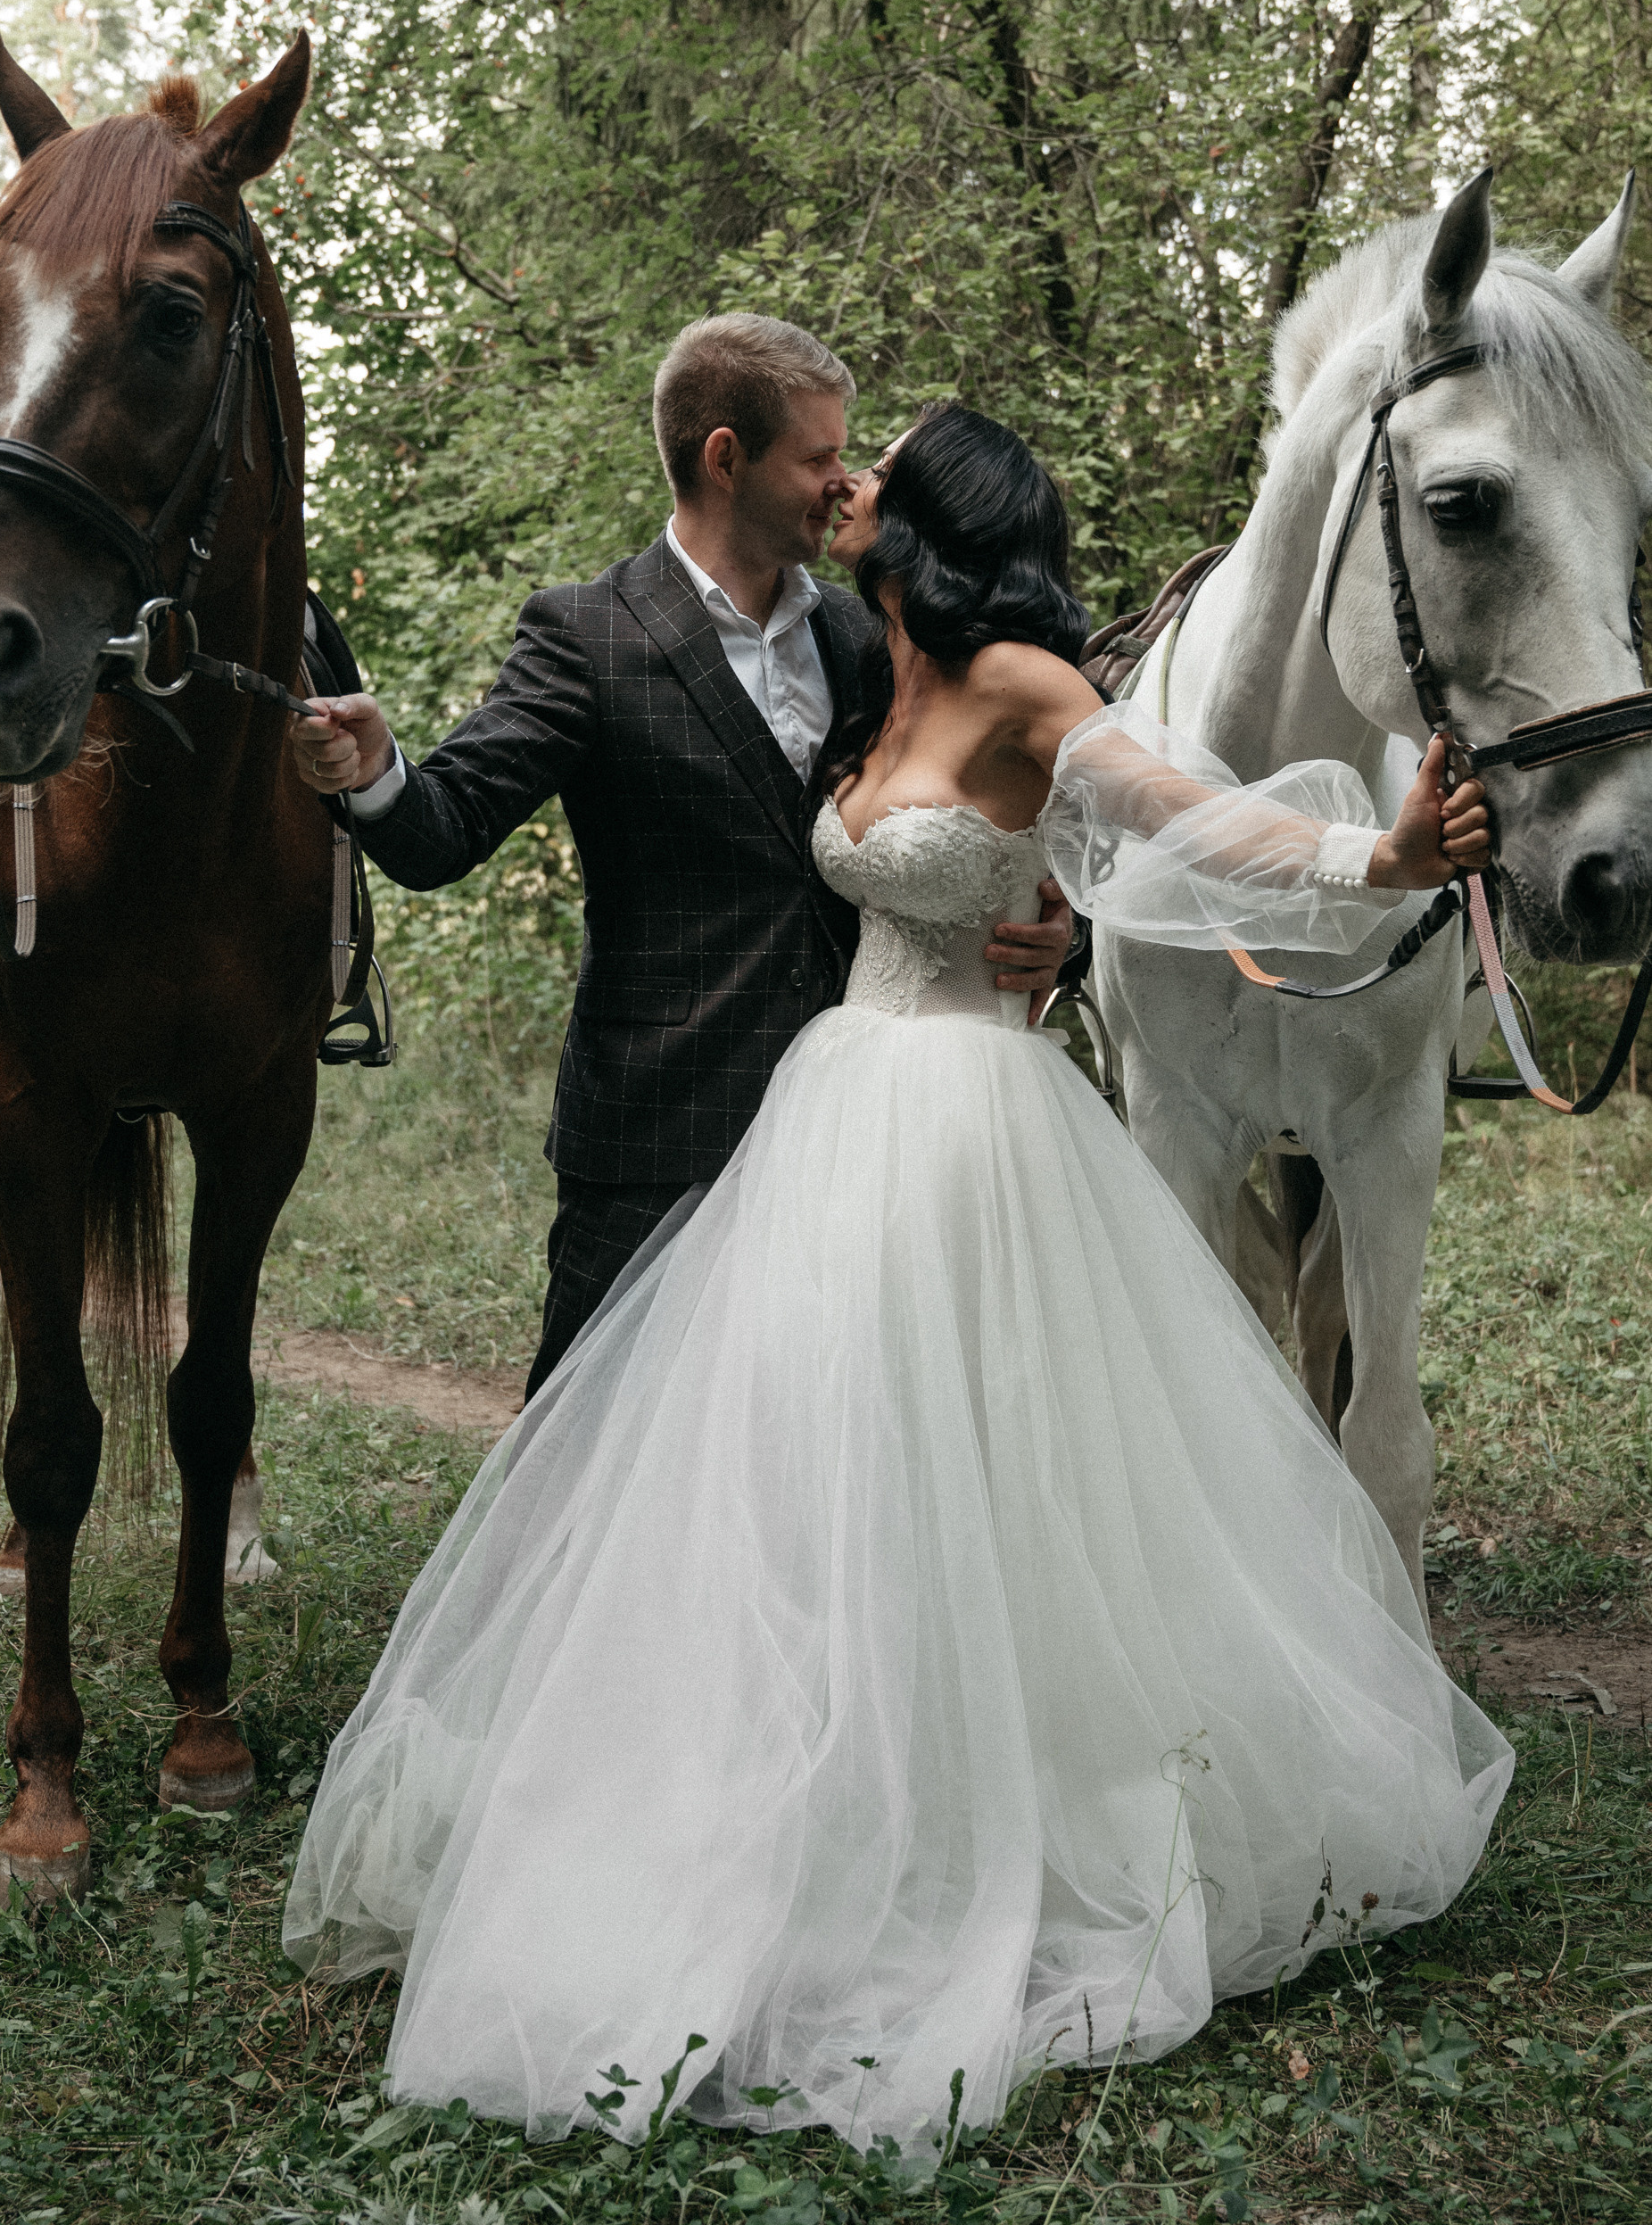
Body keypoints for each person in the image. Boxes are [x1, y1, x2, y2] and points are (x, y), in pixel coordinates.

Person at [285, 405, 1511, 2155]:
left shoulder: (1017, 674)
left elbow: (1167, 812)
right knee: (799, 1479)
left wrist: (1368, 862)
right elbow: (998, 857)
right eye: (830, 457)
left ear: (922, 518)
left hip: (962, 1132)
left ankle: (984, 1803)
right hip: (824, 1109)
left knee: (986, 1470)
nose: (844, 483)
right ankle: (785, 1775)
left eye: (875, 467)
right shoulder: (883, 663)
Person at [292, 317, 1073, 1395]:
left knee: (811, 1448)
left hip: (855, 1141)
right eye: (815, 457)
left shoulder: (866, 638)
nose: (839, 483)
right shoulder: (587, 635)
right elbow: (445, 830)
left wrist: (1057, 922)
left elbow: (985, 810)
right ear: (723, 457)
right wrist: (377, 772)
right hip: (655, 1132)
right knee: (579, 1464)